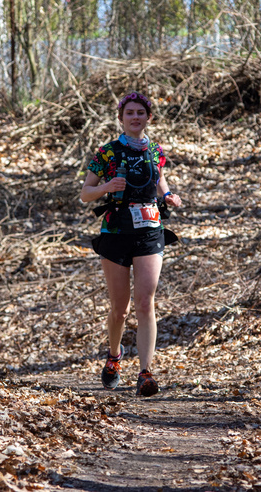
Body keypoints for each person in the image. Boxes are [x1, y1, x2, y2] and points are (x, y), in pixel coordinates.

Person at [80, 91, 182, 397]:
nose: (135, 117)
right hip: (116, 231)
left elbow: (159, 178)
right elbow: (85, 193)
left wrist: (168, 195)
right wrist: (107, 186)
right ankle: (114, 356)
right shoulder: (107, 153)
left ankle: (146, 373)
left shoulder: (155, 150)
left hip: (150, 229)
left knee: (145, 302)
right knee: (120, 310)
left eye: (140, 112)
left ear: (148, 117)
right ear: (121, 118)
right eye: (129, 113)